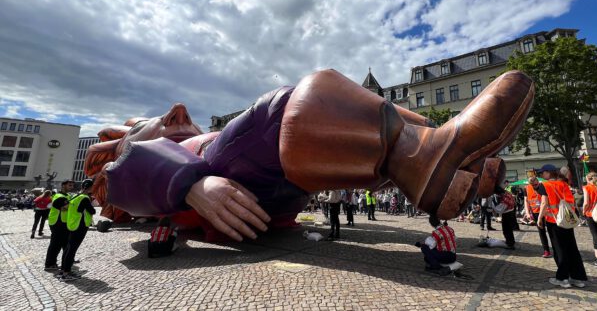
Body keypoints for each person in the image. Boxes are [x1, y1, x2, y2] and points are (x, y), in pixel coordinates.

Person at [87, 70, 533, 241]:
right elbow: (128, 169)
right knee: (293, 103)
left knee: (323, 119)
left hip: (279, 189)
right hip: (248, 178)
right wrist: (192, 183)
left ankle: (439, 149)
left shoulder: (203, 140)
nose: (177, 113)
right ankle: (426, 156)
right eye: (161, 121)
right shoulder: (166, 158)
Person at [535, 164, 587, 288]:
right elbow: (571, 202)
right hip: (567, 220)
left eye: (542, 173)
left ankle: (563, 278)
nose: (541, 175)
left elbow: (544, 203)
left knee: (559, 249)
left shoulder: (545, 185)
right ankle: (577, 278)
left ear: (548, 173)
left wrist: (539, 217)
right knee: (572, 248)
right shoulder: (564, 184)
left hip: (554, 221)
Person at [59, 179, 96, 281]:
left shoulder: (75, 197)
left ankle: (63, 270)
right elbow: (92, 211)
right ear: (89, 187)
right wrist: (92, 205)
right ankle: (66, 273)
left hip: (72, 224)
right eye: (92, 187)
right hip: (80, 226)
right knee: (72, 250)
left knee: (68, 248)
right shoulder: (84, 198)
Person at [44, 180, 75, 272]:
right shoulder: (58, 196)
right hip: (57, 222)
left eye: (72, 185)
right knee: (55, 244)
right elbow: (64, 208)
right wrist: (73, 205)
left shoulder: (68, 196)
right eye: (69, 185)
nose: (71, 187)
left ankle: (68, 259)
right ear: (63, 186)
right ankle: (50, 264)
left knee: (66, 242)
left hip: (65, 222)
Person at [524, 177, 552, 258]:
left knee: (551, 230)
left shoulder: (543, 186)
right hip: (535, 212)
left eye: (535, 184)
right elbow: (526, 201)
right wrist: (527, 212)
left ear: (537, 181)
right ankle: (546, 250)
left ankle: (556, 247)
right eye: (532, 185)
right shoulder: (527, 188)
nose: (534, 186)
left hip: (546, 212)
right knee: (541, 231)